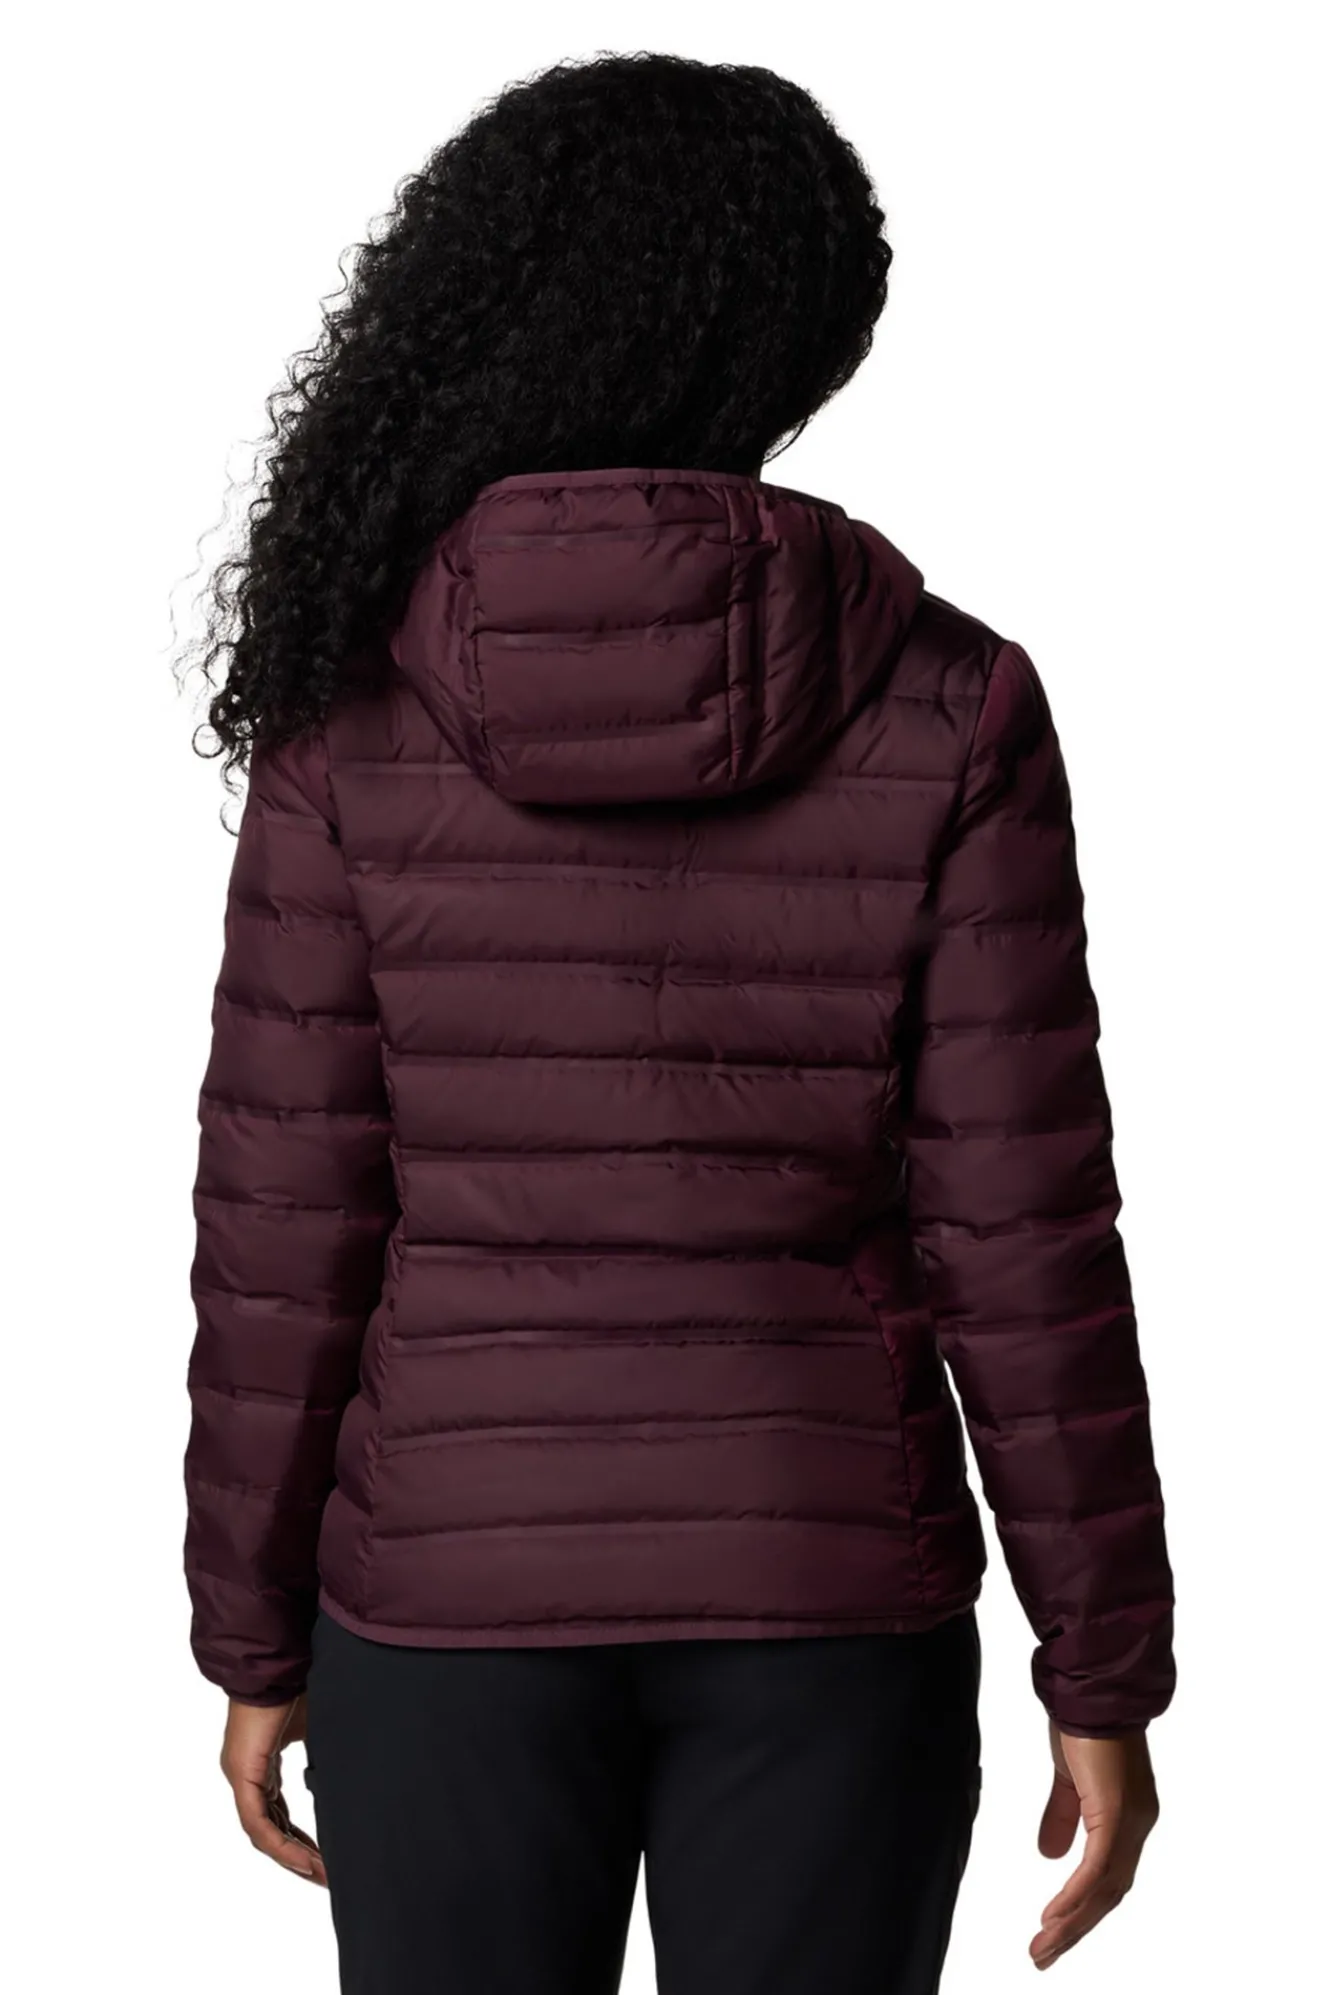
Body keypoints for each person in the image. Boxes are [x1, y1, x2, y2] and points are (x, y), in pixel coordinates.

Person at [179, 50, 1174, 1995]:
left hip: (441, 1584)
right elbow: (1023, 1230)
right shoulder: (946, 698)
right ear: (794, 333)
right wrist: (1102, 1659)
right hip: (826, 1582)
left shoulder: (349, 703)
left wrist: (252, 1628)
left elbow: (284, 1226)